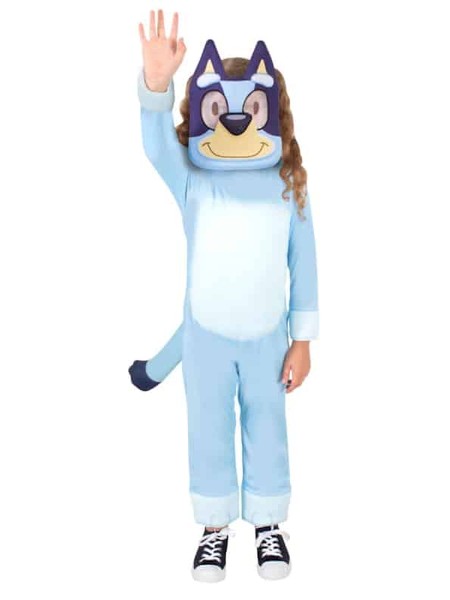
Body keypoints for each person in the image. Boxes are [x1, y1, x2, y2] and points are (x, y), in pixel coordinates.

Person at [135, 9, 318, 582]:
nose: (236, 123)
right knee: (208, 428)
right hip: (206, 338)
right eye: (219, 111)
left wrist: (303, 341)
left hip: (268, 338)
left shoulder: (288, 184)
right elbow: (157, 148)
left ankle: (268, 524)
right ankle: (214, 528)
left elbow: (305, 262)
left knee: (268, 427)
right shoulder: (194, 178)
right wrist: (156, 86)